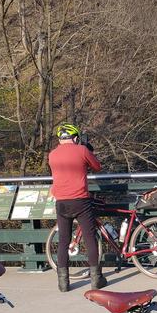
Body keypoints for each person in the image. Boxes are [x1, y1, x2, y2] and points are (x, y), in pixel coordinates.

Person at [48, 123, 105, 292]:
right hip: (80, 200)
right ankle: (96, 280)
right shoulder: (81, 150)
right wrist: (88, 150)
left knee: (64, 241)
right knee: (89, 238)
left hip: (61, 202)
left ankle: (63, 284)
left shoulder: (52, 154)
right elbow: (97, 167)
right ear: (75, 137)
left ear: (60, 138)